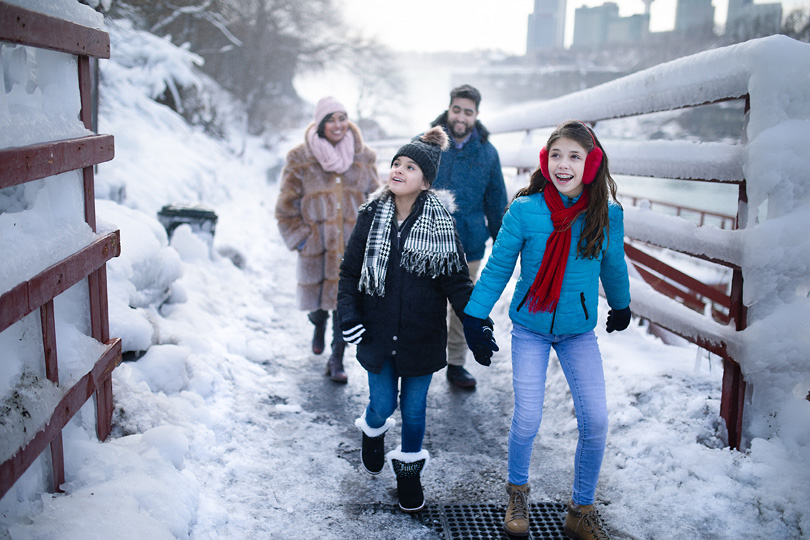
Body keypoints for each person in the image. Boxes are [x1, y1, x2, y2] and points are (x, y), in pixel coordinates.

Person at [463, 120, 632, 539]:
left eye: (575, 156)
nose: (563, 164)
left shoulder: (606, 214)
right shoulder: (525, 210)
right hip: (531, 329)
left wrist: (622, 304)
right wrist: (475, 315)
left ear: (590, 163)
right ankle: (517, 492)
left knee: (596, 421)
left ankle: (581, 507)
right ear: (545, 159)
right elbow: (499, 266)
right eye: (556, 155)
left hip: (578, 331)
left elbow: (613, 265)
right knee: (528, 418)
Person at [337, 126, 483, 513]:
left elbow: (456, 279)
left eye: (410, 167)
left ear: (426, 181)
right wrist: (349, 315)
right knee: (383, 405)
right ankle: (373, 431)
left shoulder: (442, 222)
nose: (399, 171)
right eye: (396, 164)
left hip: (421, 336)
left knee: (415, 410)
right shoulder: (371, 216)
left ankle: (409, 475)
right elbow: (350, 272)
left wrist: (474, 322)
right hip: (378, 334)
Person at [275, 96, 379, 383]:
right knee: (320, 307)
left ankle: (337, 358)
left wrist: (371, 238)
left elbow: (377, 199)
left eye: (342, 118)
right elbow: (285, 207)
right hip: (316, 247)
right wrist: (301, 239)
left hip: (351, 247)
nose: (338, 125)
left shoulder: (364, 157)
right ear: (320, 124)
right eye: (331, 119)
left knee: (344, 305)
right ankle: (317, 323)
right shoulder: (300, 158)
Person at [429, 84, 508, 388]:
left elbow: (496, 201)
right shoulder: (427, 144)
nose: (461, 117)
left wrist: (503, 245)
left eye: (468, 111)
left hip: (470, 244)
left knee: (464, 306)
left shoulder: (488, 153)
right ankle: (416, 362)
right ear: (449, 110)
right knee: (423, 304)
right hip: (428, 242)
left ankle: (455, 364)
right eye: (457, 109)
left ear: (476, 114)